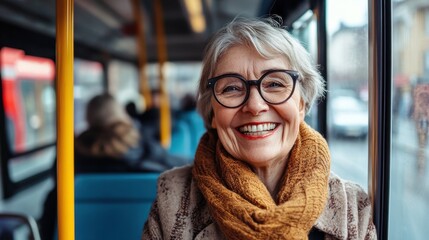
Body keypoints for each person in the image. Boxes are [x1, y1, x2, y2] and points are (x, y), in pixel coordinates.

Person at [142, 17, 377, 239]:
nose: (254, 106)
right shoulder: (172, 197)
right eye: (232, 88)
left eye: (275, 84)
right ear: (213, 113)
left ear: (302, 104)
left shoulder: (351, 207)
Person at [39, 93, 191, 240]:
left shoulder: (71, 155)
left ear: (89, 118)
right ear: (120, 114)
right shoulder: (143, 145)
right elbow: (173, 164)